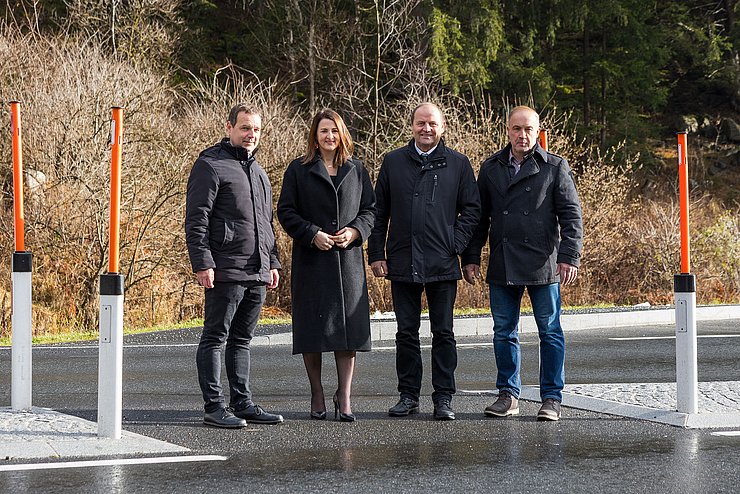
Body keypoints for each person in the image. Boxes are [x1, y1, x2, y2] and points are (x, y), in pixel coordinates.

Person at [461, 105, 583, 421]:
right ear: (508, 131)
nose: (523, 135)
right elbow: (479, 219)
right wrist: (471, 257)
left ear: (537, 132)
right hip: (503, 261)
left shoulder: (555, 167)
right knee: (504, 332)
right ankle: (508, 395)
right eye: (517, 129)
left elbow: (572, 217)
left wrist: (569, 256)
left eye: (528, 129)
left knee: (550, 331)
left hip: (544, 262)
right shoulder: (490, 169)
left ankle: (552, 398)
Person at [367, 102, 480, 421]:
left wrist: (455, 244)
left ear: (442, 128)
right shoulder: (393, 162)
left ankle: (443, 397)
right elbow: (379, 212)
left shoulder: (458, 164)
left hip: (443, 264)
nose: (426, 128)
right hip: (402, 261)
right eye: (420, 123)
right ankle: (408, 396)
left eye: (432, 123)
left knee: (443, 332)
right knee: (406, 332)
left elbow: (472, 210)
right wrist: (376, 253)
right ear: (412, 126)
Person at [185, 103, 284, 428]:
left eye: (255, 129)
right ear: (229, 127)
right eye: (244, 128)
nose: (250, 135)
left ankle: (242, 403)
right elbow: (197, 219)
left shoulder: (258, 172)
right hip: (225, 268)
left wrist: (272, 262)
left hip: (257, 270)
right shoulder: (210, 165)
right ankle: (214, 407)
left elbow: (266, 222)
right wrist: (203, 262)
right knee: (215, 337)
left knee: (242, 340)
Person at [277, 109, 376, 422]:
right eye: (323, 131)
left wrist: (356, 231)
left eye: (334, 131)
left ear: (342, 134)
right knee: (313, 332)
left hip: (348, 264)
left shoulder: (358, 170)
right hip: (312, 261)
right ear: (315, 137)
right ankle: (317, 393)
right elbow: (286, 211)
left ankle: (344, 396)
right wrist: (311, 234)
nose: (329, 136)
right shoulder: (298, 169)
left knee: (347, 333)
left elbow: (371, 210)